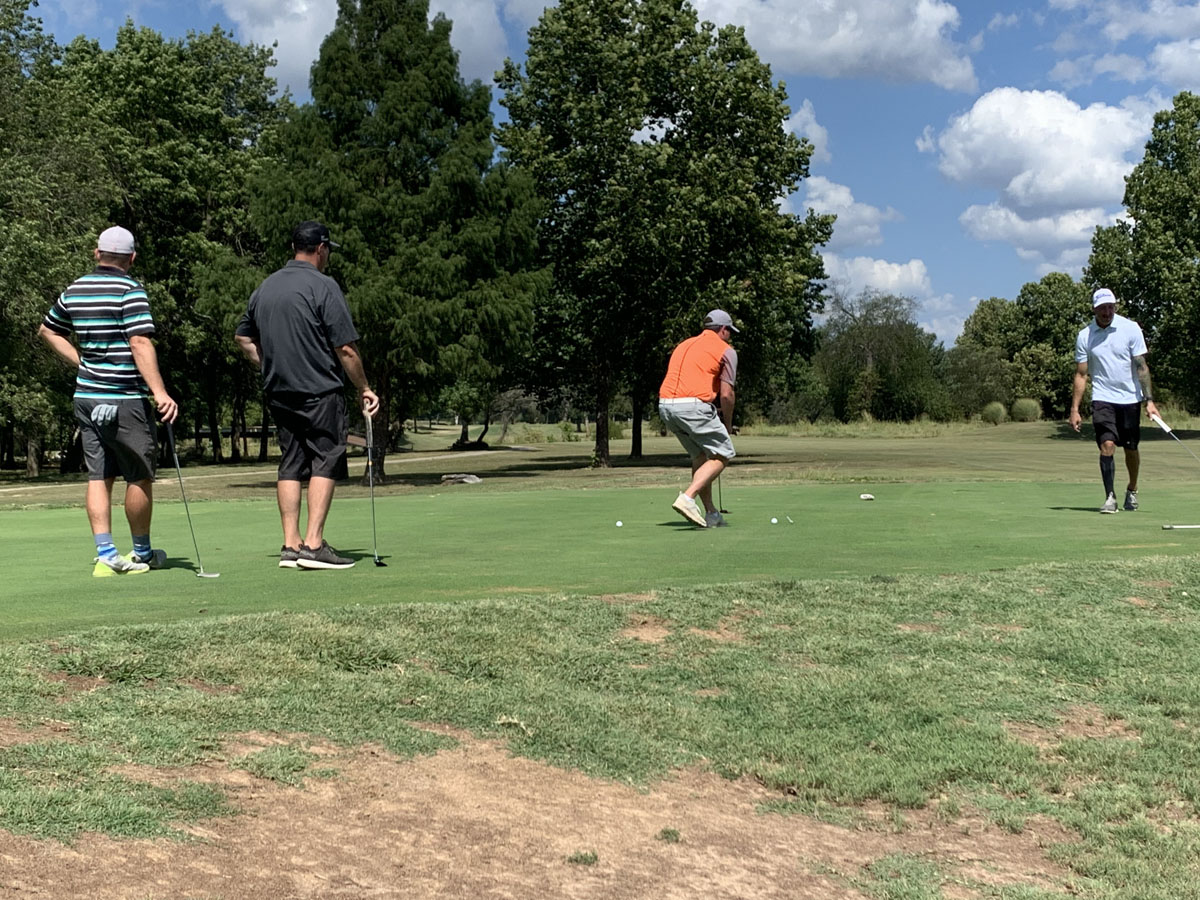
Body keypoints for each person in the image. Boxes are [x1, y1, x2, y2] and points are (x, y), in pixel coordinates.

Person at [235, 221, 379, 569]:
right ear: (321, 249)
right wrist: (364, 387)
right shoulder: (323, 286)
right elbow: (345, 348)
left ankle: (291, 544)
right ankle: (313, 546)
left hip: (279, 392)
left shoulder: (266, 287)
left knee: (291, 462)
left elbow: (243, 337)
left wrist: (270, 365)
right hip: (319, 390)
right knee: (325, 458)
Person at [38, 226, 179, 576]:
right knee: (138, 475)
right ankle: (141, 553)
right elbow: (140, 343)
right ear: (132, 258)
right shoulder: (131, 290)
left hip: (87, 396)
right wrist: (160, 393)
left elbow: (48, 330)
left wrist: (81, 363)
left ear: (97, 253)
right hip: (125, 398)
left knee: (99, 476)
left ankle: (105, 553)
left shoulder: (75, 289)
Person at [1069, 287, 1160, 514]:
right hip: (1102, 398)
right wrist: (1075, 409)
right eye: (1102, 308)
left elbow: (1141, 367)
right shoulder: (1085, 335)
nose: (1107, 312)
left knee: (1131, 448)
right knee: (1107, 445)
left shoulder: (1130, 328)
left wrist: (1149, 401)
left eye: (1110, 307)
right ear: (1094, 309)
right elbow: (1081, 374)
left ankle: (1132, 488)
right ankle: (1110, 497)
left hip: (1130, 398)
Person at [658, 309, 739, 528]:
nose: (730, 336)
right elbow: (726, 395)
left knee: (700, 456)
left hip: (665, 406)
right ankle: (688, 497)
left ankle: (711, 513)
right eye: (730, 332)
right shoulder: (727, 351)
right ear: (723, 329)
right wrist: (727, 424)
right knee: (724, 453)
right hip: (692, 406)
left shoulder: (684, 345)